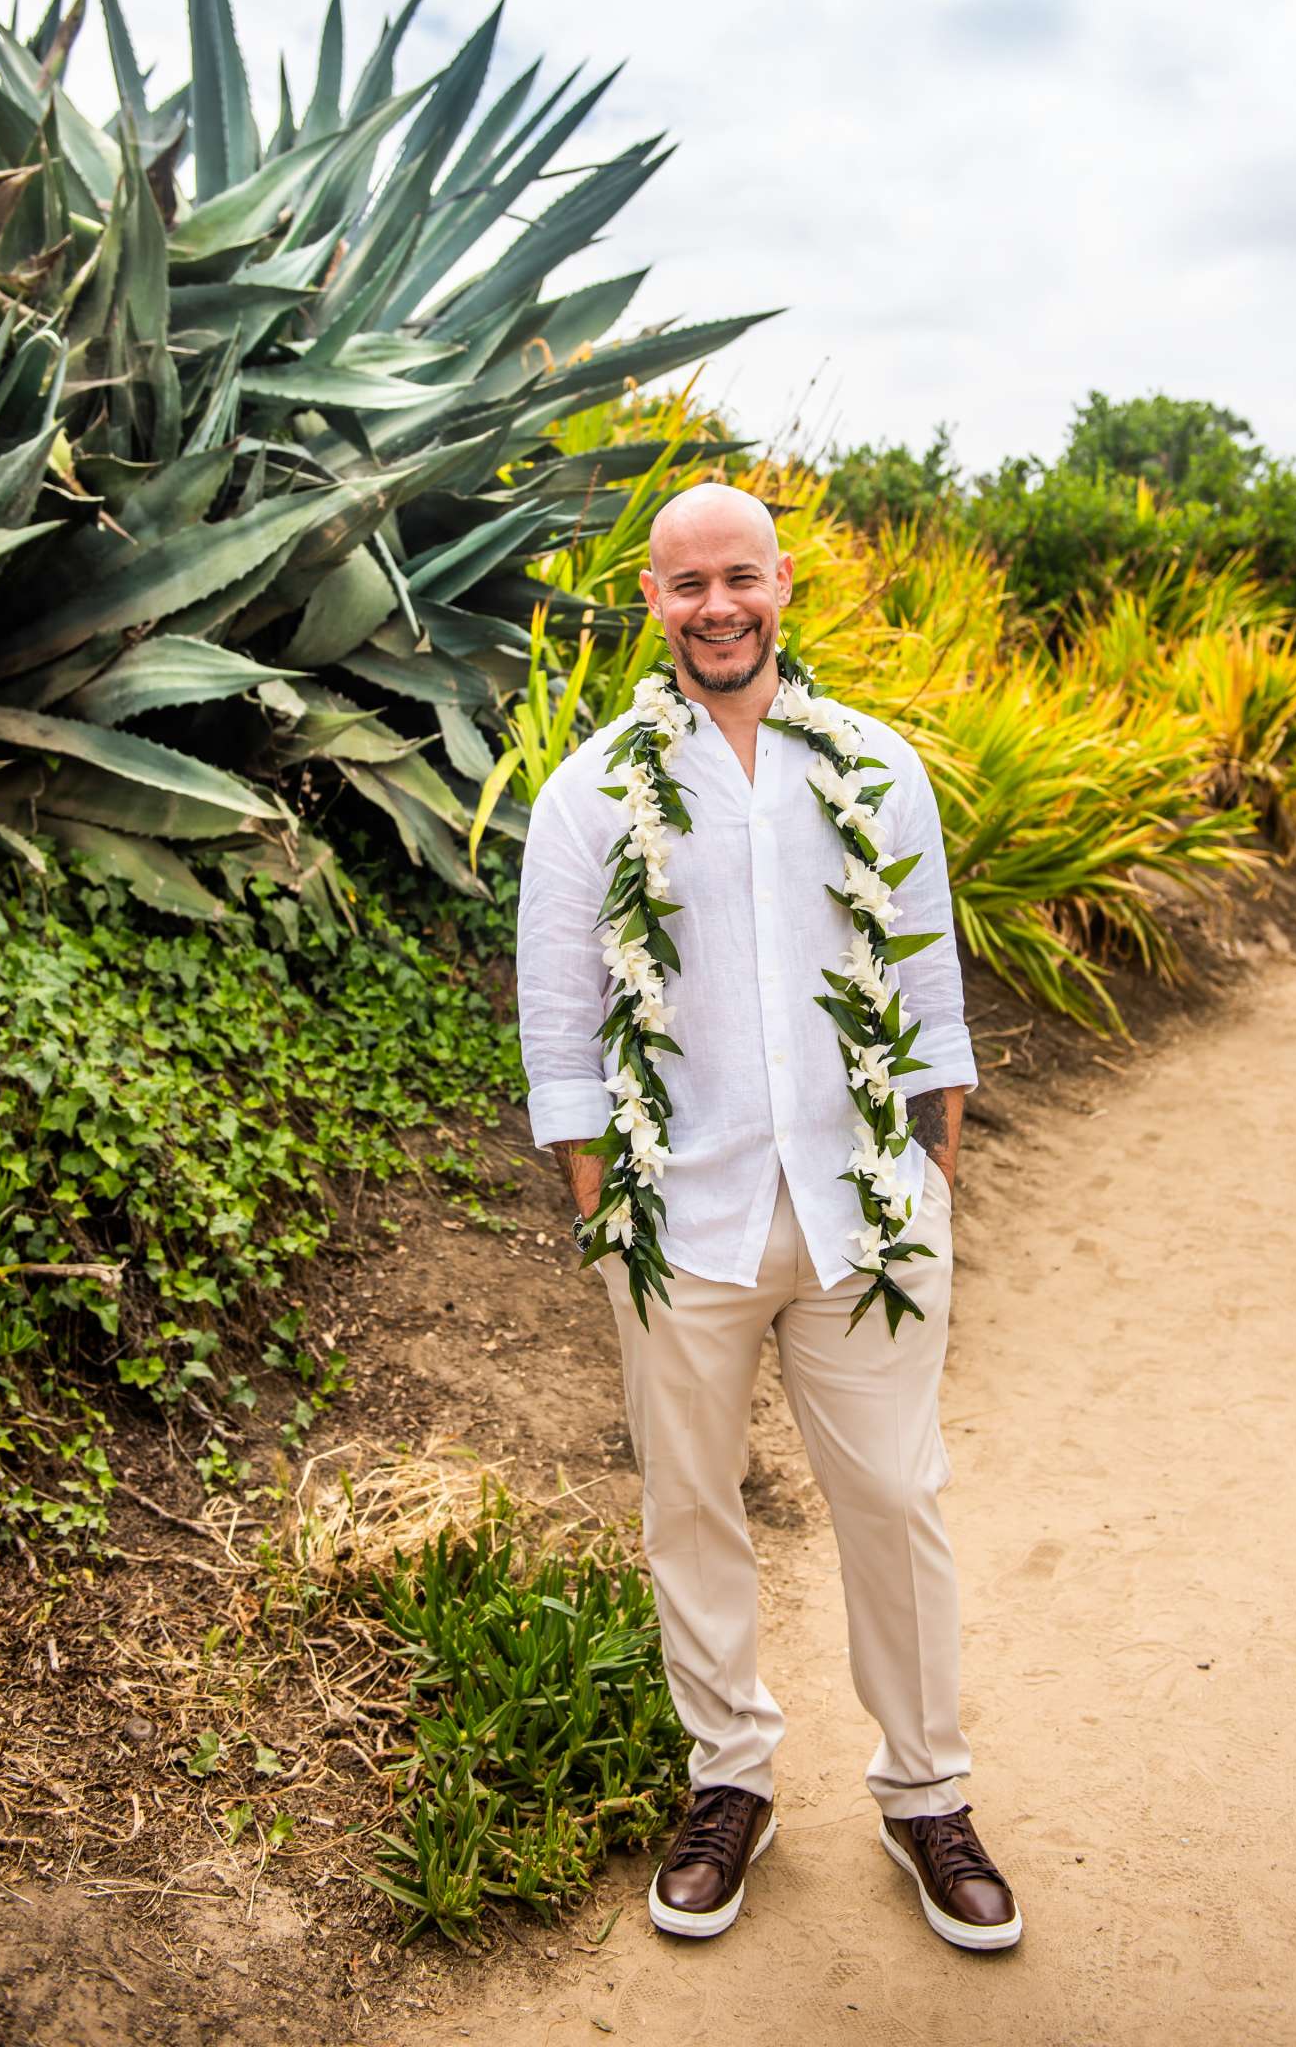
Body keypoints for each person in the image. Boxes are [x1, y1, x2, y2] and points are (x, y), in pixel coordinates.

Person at [515, 480, 1021, 1952]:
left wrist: (928, 1179)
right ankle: (727, 1781)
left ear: (781, 584)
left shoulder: (873, 766)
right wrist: (605, 1213)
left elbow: (929, 1003)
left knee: (896, 1503)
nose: (716, 607)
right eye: (687, 586)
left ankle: (926, 1793)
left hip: (867, 1215)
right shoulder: (592, 789)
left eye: (740, 578)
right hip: (682, 1223)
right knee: (691, 1508)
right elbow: (560, 1027)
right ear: (650, 599)